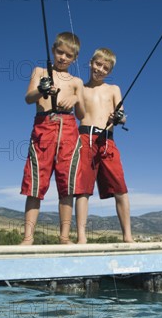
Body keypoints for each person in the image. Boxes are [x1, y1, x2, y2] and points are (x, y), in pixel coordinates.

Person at [20, 32, 85, 244]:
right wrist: (41, 89)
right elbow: (29, 98)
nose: (63, 57)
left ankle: (64, 237)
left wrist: (76, 98)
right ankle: (28, 238)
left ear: (74, 58)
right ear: (53, 50)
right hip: (43, 127)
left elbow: (82, 115)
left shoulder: (77, 82)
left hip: (68, 129)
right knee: (35, 183)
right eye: (60, 52)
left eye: (69, 55)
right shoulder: (40, 71)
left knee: (67, 185)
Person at [75, 47, 133, 244]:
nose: (100, 69)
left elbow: (123, 117)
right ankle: (81, 238)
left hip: (107, 139)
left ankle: (128, 236)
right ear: (91, 62)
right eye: (97, 64)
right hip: (84, 138)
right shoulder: (80, 87)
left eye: (105, 68)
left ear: (110, 72)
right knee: (82, 189)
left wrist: (119, 118)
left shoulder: (114, 89)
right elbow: (77, 114)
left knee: (121, 188)